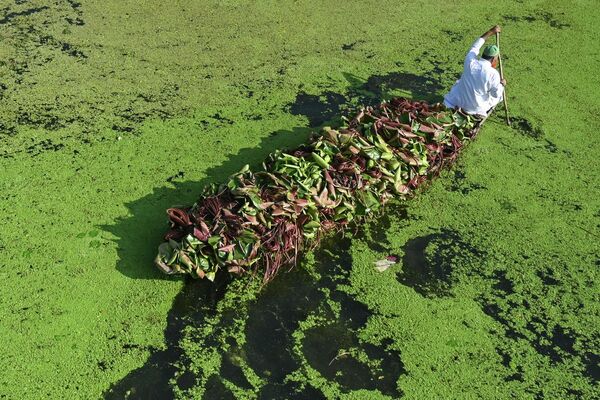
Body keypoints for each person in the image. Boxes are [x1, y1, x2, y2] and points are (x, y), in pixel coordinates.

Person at [443, 25, 507, 117]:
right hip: (474, 108)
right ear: (493, 60)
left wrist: (491, 31)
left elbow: (475, 46)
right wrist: (502, 85)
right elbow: (495, 94)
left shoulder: (470, 61)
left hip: (457, 101)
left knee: (459, 82)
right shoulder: (494, 74)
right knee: (499, 96)